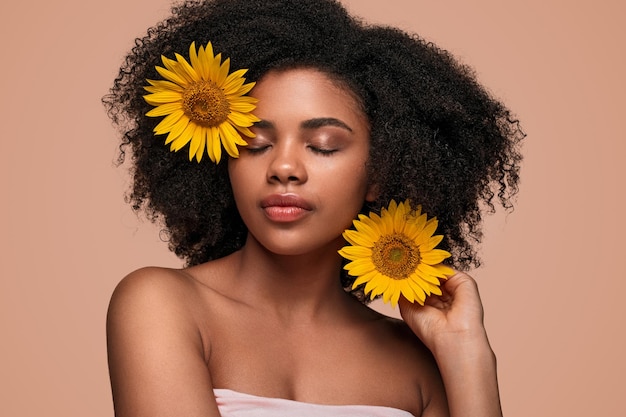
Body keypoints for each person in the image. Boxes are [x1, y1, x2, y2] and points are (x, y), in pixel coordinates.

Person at [103, 0, 524, 416]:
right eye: (256, 144)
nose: (283, 167)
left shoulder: (419, 363)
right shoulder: (160, 306)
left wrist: (467, 355)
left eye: (322, 146)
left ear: (381, 172)